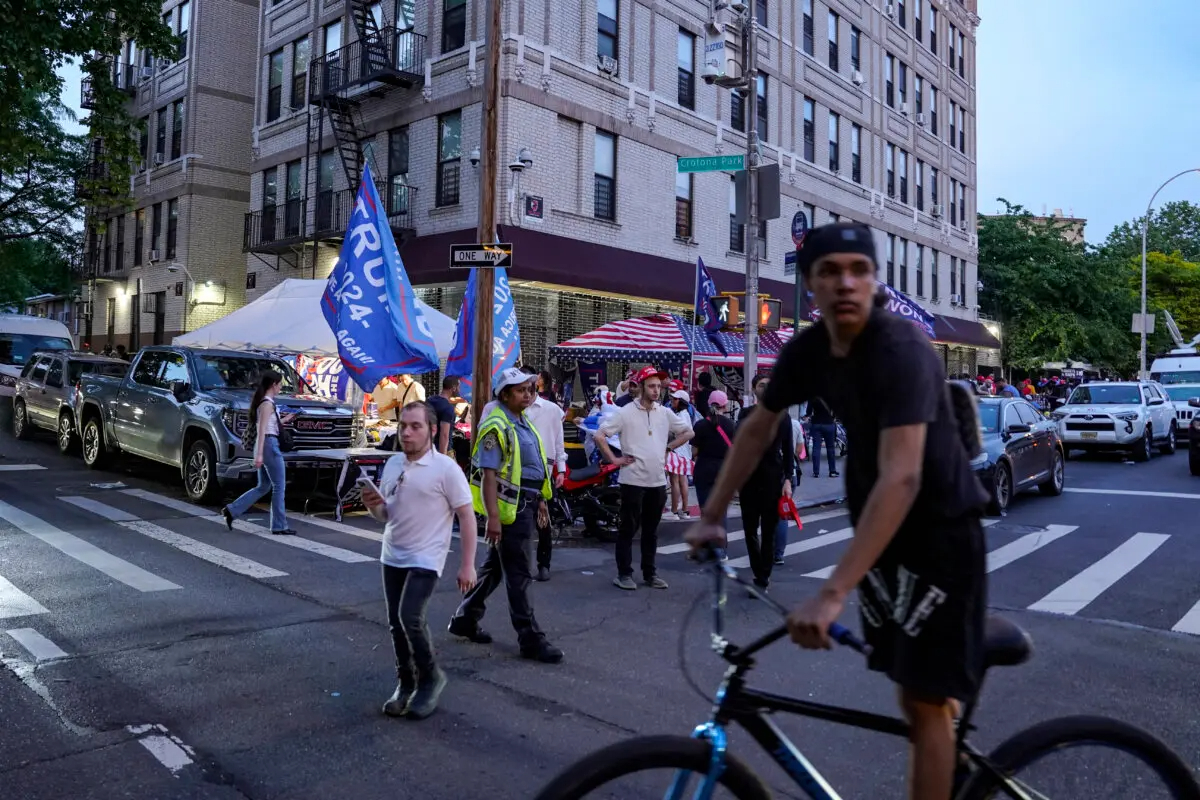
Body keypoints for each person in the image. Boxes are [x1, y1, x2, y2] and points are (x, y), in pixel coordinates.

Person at [687, 222, 989, 800]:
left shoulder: (903, 350)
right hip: (883, 537)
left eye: (858, 270)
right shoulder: (808, 351)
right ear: (809, 285)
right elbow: (757, 428)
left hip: (941, 535)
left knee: (923, 705)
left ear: (875, 281)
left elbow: (902, 477)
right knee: (910, 688)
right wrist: (711, 514)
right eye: (829, 272)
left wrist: (831, 592)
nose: (845, 283)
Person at [360, 402, 478, 720]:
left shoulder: (446, 469)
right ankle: (405, 683)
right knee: (396, 624)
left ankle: (430, 679)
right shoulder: (395, 464)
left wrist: (468, 564)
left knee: (409, 616)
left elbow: (467, 517)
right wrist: (373, 506)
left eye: (416, 426)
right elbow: (387, 515)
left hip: (427, 555)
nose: (408, 432)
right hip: (393, 553)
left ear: (433, 430)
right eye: (403, 426)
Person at [448, 368, 563, 664]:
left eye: (530, 389)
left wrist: (540, 501)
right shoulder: (496, 424)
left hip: (524, 505)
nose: (528, 394)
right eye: (521, 390)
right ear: (505, 394)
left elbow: (530, 468)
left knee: (496, 570)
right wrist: (494, 518)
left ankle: (465, 618)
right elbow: (489, 475)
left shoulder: (521, 421)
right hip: (510, 512)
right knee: (519, 575)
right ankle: (530, 639)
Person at [593, 365, 694, 590]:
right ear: (640, 387)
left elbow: (689, 432)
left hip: (657, 481)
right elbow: (600, 436)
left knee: (651, 531)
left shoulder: (665, 412)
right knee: (628, 529)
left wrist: (668, 447)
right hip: (632, 481)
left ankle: (650, 574)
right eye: (652, 386)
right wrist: (614, 460)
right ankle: (624, 574)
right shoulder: (625, 412)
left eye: (659, 386)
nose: (656, 391)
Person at [736, 375, 793, 595]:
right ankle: (758, 570)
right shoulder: (744, 415)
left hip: (772, 481)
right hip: (748, 481)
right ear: (753, 390)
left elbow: (788, 452)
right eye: (761, 385)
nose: (766, 388)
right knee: (750, 531)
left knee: (768, 533)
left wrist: (788, 479)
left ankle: (763, 578)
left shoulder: (783, 418)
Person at [222, 371, 298, 535]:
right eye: (279, 385)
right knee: (279, 486)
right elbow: (261, 429)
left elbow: (269, 425)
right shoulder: (267, 404)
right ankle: (279, 525)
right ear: (273, 385)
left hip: (268, 444)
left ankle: (232, 510)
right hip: (269, 445)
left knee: (263, 486)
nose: (281, 388)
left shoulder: (266, 403)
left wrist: (285, 419)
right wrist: (259, 455)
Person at [525, 374, 568, 581]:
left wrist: (561, 468)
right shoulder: (511, 410)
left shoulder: (551, 410)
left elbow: (559, 440)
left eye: (528, 388)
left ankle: (544, 564)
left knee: (544, 520)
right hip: (518, 472)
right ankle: (518, 565)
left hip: (544, 471)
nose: (525, 393)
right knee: (519, 521)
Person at [689, 390, 734, 562]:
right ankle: (721, 550)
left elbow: (695, 451)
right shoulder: (731, 425)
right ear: (725, 405)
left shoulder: (700, 425)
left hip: (703, 471)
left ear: (709, 405)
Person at [665, 389, 696, 520]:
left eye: (676, 399)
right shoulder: (686, 414)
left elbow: (676, 432)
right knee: (682, 481)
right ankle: (684, 510)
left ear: (682, 401)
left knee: (674, 481)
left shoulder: (680, 416)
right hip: (685, 452)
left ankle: (674, 511)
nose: (673, 401)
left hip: (676, 450)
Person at [808, 395, 840, 478]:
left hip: (816, 424)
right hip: (828, 423)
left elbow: (808, 411)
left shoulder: (813, 396)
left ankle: (816, 472)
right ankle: (832, 471)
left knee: (816, 447)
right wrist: (832, 417)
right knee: (830, 448)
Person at [428, 375, 459, 456]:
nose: (460, 390)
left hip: (427, 449)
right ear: (454, 388)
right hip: (442, 451)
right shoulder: (448, 408)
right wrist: (443, 459)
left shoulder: (429, 400)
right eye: (459, 387)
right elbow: (444, 435)